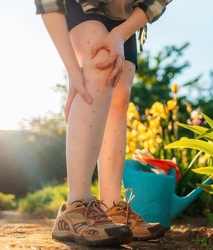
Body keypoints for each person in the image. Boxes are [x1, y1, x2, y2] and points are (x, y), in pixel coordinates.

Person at [34, 0, 171, 246]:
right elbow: (49, 4)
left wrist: (120, 33)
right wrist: (74, 72)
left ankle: (112, 206)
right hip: (79, 4)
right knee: (103, 62)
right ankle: (76, 208)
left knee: (120, 95)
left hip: (125, 12)